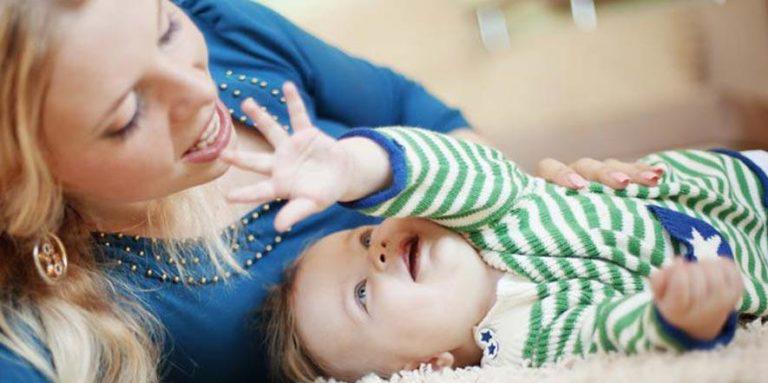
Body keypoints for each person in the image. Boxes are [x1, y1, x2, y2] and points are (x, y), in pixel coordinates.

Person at [0, 0, 660, 382]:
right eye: (127, 114)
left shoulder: (226, 28)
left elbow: (417, 111)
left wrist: (550, 208)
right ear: (25, 175)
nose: (201, 92)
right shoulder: (49, 333)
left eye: (165, 29)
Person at [249, 86, 768, 382]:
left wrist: (355, 170)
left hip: (737, 182)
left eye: (362, 240)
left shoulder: (491, 209)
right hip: (753, 267)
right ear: (426, 368)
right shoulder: (523, 345)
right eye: (361, 293)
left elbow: (451, 166)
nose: (378, 252)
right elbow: (606, 331)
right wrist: (675, 316)